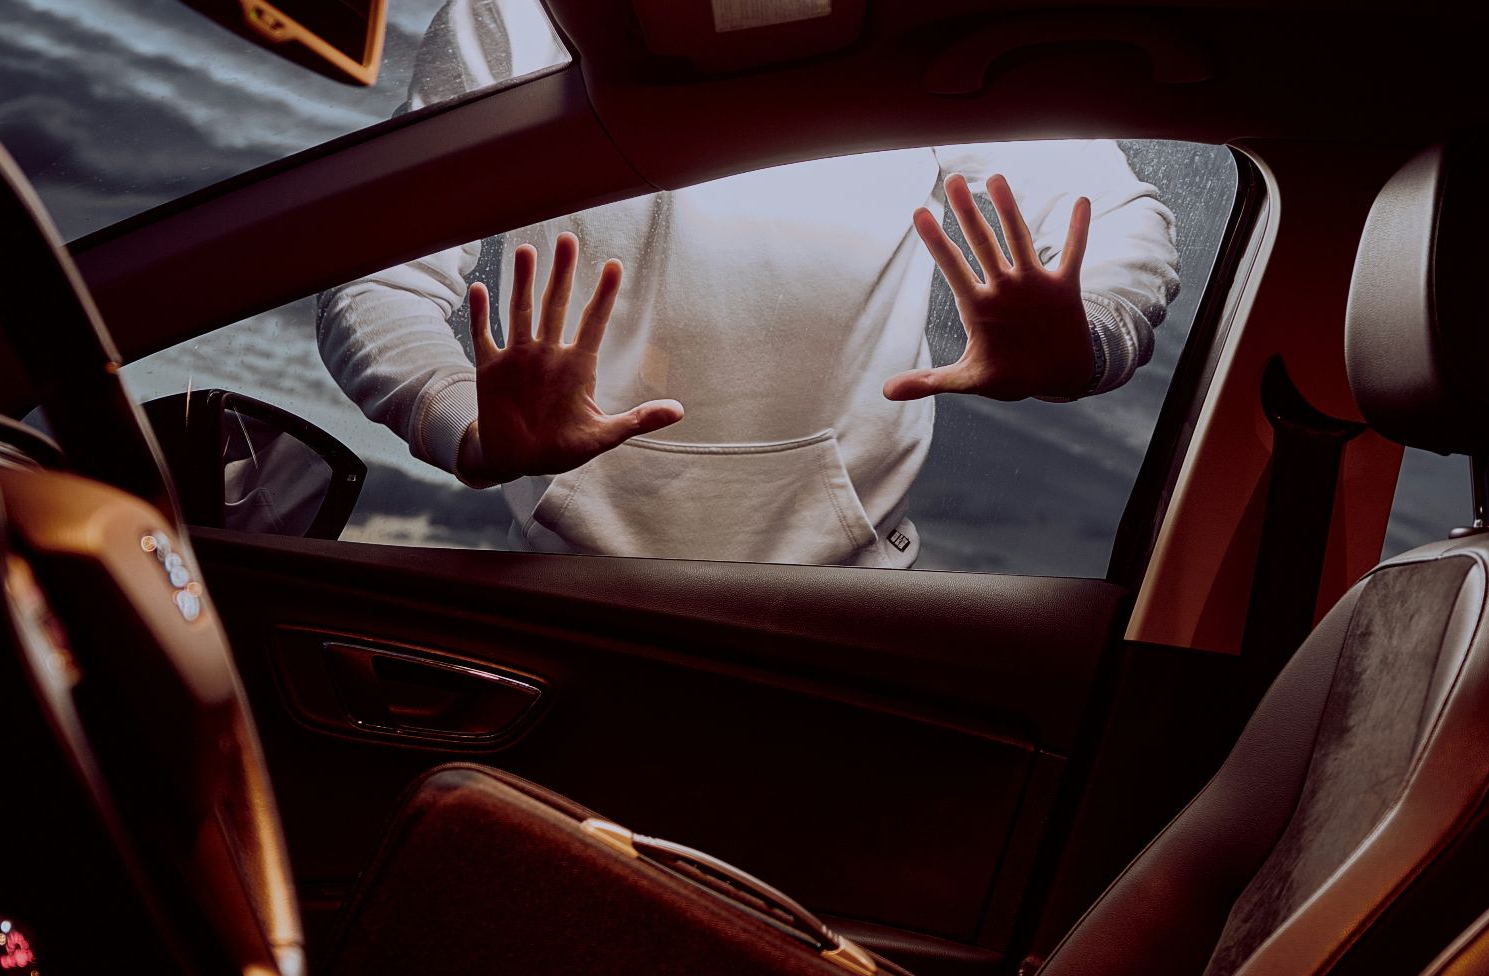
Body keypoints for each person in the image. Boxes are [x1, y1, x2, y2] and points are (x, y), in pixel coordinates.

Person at [318, 0, 1180, 567]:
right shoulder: (523, 14)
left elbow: (1119, 217)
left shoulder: (918, 14)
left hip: (847, 599)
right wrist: (464, 419)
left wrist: (1086, 334)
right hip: (566, 586)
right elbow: (372, 272)